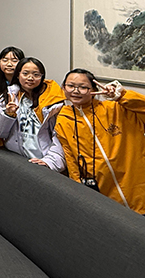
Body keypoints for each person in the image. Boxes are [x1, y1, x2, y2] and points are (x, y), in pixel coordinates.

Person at [56, 70, 145, 214]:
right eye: (70, 86)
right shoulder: (63, 119)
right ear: (63, 88)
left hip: (137, 190)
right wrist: (78, 190)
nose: (76, 91)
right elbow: (71, 159)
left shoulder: (116, 109)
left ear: (94, 90)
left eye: (83, 87)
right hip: (104, 195)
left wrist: (121, 95)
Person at [0, 57, 66, 171]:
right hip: (16, 158)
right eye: (25, 74)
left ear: (42, 77)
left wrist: (49, 162)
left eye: (36, 75)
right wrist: (8, 114)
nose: (30, 78)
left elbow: (60, 137)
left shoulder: (53, 102)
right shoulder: (8, 97)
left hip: (43, 160)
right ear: (18, 75)